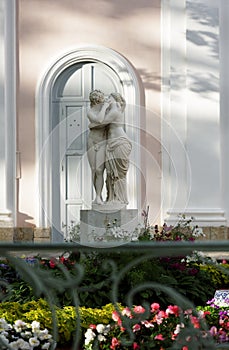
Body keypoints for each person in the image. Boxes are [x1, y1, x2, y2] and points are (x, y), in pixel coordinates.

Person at [103, 92, 132, 204]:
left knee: (118, 173)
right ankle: (111, 197)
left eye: (109, 97)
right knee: (110, 172)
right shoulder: (115, 110)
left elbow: (101, 122)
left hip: (119, 143)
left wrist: (103, 107)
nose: (107, 99)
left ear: (114, 99)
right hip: (111, 144)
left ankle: (119, 198)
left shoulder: (114, 111)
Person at [87, 90, 110, 205]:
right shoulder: (90, 111)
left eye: (98, 98)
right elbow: (100, 120)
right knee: (93, 170)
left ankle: (99, 196)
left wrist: (92, 125)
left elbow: (103, 122)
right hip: (92, 141)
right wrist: (104, 108)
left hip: (103, 141)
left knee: (99, 169)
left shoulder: (105, 111)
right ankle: (97, 196)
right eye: (95, 99)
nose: (96, 100)